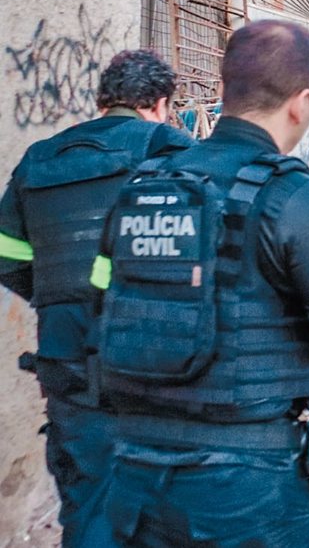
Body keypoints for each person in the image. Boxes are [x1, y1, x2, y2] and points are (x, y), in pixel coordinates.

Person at [91, 20, 309, 546]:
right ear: (303, 102)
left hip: (133, 469)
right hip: (250, 480)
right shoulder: (290, 194)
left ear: (223, 92)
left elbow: (102, 300)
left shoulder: (146, 184)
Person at [0, 50, 193, 546]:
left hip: (66, 359)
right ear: (160, 103)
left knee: (87, 503)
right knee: (164, 504)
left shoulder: (41, 158)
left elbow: (5, 253)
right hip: (155, 360)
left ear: (104, 100)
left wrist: (56, 297)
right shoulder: (171, 148)